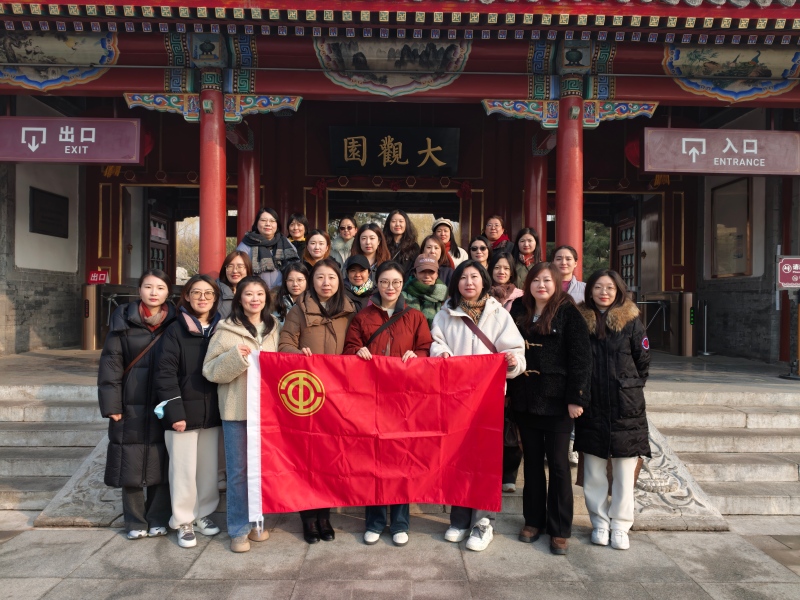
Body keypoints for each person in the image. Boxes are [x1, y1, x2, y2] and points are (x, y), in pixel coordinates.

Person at [429, 260, 525, 552]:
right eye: (463, 277)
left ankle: (483, 522)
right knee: (457, 458)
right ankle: (459, 518)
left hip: (488, 399)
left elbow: (516, 351)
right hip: (455, 398)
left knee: (485, 460)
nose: (469, 282)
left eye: (474, 277)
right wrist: (442, 354)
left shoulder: (499, 314)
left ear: (484, 281)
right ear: (456, 282)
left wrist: (512, 361)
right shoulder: (445, 314)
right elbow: (436, 344)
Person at [343, 261, 433, 547]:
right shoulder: (363, 316)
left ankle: (400, 523)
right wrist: (358, 352)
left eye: (395, 282)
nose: (390, 287)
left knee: (401, 460)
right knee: (373, 459)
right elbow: (349, 349)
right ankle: (375, 521)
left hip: (404, 400)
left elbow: (425, 348)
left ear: (402, 284)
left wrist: (417, 356)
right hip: (371, 398)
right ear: (376, 283)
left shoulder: (415, 316)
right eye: (384, 282)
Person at [507, 262, 591, 556]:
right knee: (531, 462)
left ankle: (559, 529)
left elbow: (581, 359)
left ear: (556, 283)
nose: (541, 285)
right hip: (525, 398)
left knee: (558, 465)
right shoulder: (519, 310)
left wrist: (577, 398)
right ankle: (533, 521)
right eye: (535, 280)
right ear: (528, 284)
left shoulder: (568, 312)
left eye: (547, 280)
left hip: (557, 401)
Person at [278, 258, 357, 544]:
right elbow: (284, 343)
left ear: (339, 281)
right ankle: (308, 518)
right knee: (307, 457)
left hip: (338, 397)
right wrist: (298, 355)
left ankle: (325, 516)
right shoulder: (298, 310)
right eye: (320, 277)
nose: (326, 283)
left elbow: (356, 345)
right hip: (308, 395)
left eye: (331, 277)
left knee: (330, 459)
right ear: (312, 281)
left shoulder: (350, 311)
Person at [575, 269, 651, 551]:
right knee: (594, 468)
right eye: (598, 287)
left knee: (624, 469)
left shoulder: (631, 321)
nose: (603, 292)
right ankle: (599, 522)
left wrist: (628, 386)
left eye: (609, 287)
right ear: (590, 290)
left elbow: (643, 362)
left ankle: (620, 525)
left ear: (619, 290)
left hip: (625, 405)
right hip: (592, 402)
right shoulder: (580, 320)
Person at [203, 276, 279, 553]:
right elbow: (210, 370)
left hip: (267, 414)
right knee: (238, 472)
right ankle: (238, 529)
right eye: (248, 294)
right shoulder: (226, 330)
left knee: (262, 470)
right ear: (239, 299)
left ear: (266, 298)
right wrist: (236, 357)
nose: (254, 299)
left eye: (259, 294)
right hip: (236, 410)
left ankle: (257, 521)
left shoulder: (274, 328)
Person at [98, 269, 176, 540]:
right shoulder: (122, 320)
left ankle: (158, 518)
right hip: (130, 401)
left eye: (160, 288)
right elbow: (111, 364)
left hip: (162, 401)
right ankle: (134, 520)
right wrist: (112, 405)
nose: (154, 292)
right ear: (139, 290)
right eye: (148, 287)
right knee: (128, 460)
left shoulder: (176, 322)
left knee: (161, 460)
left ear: (168, 292)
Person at [153, 275, 222, 549]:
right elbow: (165, 373)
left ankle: (203, 513)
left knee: (208, 469)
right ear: (187, 297)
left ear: (215, 298)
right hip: (182, 414)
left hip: (212, 412)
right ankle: (183, 520)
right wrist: (175, 412)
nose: (202, 298)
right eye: (196, 293)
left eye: (208, 293)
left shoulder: (221, 329)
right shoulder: (175, 330)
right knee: (182, 470)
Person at [487, 251, 525, 494]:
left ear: (512, 272)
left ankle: (509, 473)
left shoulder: (521, 299)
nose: (501, 272)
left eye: (506, 268)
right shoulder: (481, 294)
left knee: (511, 421)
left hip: (512, 365)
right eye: (497, 267)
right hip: (486, 368)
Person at [237, 208, 300, 291]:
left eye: (272, 221)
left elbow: (295, 269)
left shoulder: (286, 243)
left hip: (283, 292)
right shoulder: (246, 245)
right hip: (256, 293)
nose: (268, 224)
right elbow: (239, 273)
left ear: (277, 224)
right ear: (256, 223)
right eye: (263, 220)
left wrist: (280, 289)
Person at [402, 256, 448, 328]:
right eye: (422, 271)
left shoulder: (446, 297)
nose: (427, 276)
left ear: (437, 274)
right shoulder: (402, 296)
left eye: (431, 272)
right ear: (415, 273)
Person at [216, 251, 253, 320]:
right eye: (230, 266)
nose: (235, 271)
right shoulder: (214, 291)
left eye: (240, 266)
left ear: (248, 268)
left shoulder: (257, 292)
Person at [383, 209, 420, 274]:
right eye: (393, 221)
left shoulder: (414, 247)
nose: (397, 224)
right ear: (388, 224)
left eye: (401, 221)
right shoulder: (382, 244)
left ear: (406, 224)